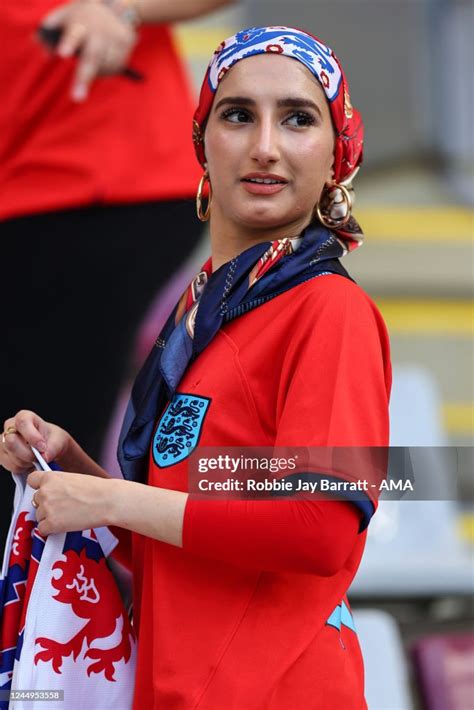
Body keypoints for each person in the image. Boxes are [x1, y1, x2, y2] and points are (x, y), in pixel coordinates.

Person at [1, 26, 391, 709]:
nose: (264, 145)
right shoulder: (205, 313)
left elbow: (318, 528)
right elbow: (191, 532)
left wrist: (113, 498)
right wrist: (76, 474)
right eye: (238, 115)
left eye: (298, 119)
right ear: (202, 143)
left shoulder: (328, 310)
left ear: (337, 155)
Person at [0, 0, 235, 544]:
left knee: (33, 439)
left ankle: (58, 611)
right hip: (35, 185)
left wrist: (118, 7)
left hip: (99, 183)